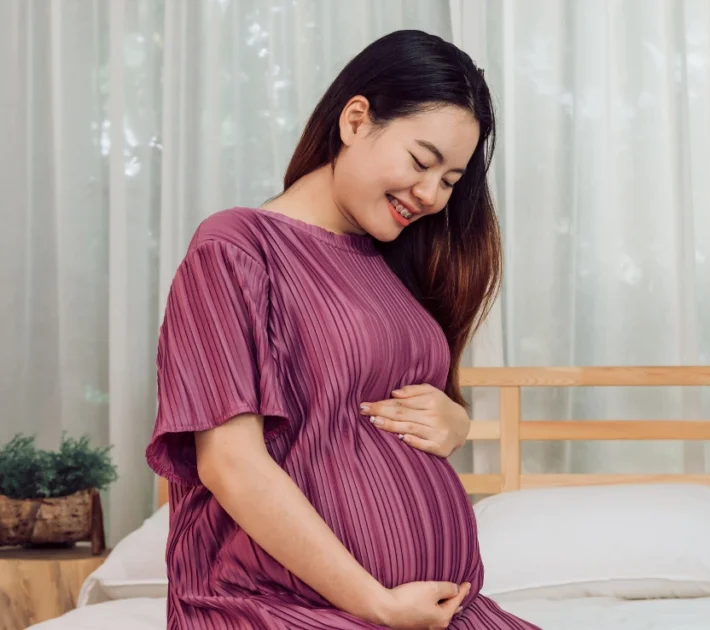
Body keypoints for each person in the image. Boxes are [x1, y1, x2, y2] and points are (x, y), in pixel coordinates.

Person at [145, 30, 541, 630]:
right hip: (277, 608)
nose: (431, 195)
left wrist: (456, 420)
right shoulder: (235, 248)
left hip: (435, 615)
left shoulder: (392, 262)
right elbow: (230, 464)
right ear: (356, 120)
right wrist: (375, 601)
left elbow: (364, 410)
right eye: (421, 162)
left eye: (451, 181)